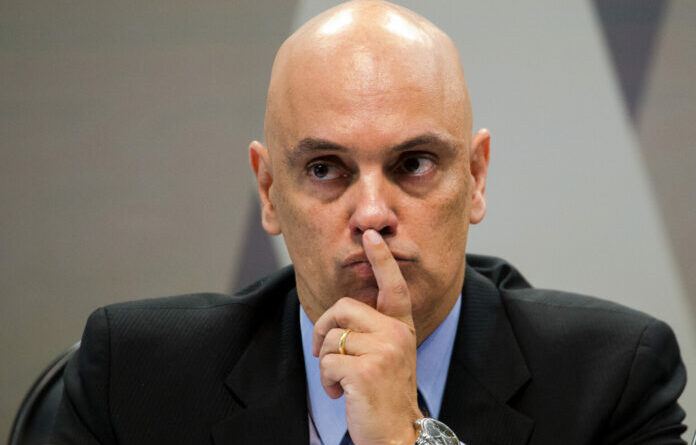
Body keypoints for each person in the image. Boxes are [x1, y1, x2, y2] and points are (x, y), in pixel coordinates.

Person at [49, 1, 687, 444]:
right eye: (326, 169)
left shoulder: (612, 380)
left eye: (414, 163)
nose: (373, 214)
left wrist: (409, 440)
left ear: (476, 178)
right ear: (269, 192)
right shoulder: (134, 379)